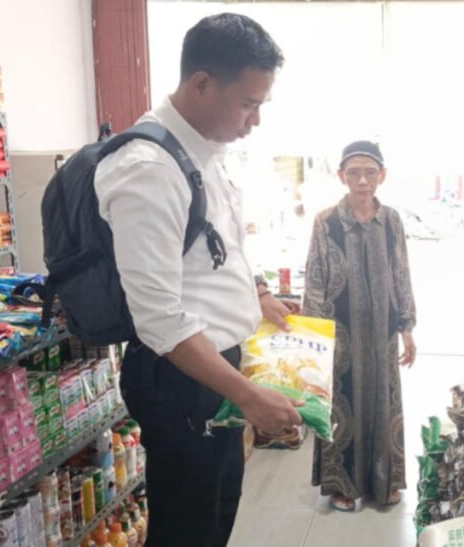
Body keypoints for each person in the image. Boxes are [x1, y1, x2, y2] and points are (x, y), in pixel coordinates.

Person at [93, 14, 302, 547]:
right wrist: (248, 396)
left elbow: (217, 246)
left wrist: (256, 294)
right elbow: (160, 319)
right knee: (189, 527)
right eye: (249, 103)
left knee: (215, 514)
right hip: (181, 380)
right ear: (202, 83)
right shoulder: (149, 169)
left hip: (212, 373)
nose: (254, 120)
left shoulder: (203, 152)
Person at [304, 140, 417, 512]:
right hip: (341, 331)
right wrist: (313, 341)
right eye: (354, 173)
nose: (363, 180)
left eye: (370, 172)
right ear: (341, 176)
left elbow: (401, 271)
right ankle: (343, 484)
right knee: (343, 403)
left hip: (382, 330)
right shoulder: (326, 221)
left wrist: (407, 326)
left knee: (383, 400)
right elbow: (315, 278)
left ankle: (386, 481)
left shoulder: (392, 220)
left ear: (381, 176)